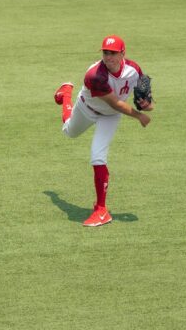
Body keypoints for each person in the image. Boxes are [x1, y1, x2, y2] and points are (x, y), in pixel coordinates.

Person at [53, 35, 153, 227]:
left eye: (113, 53)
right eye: (105, 53)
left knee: (97, 156)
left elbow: (142, 88)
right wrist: (139, 116)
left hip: (110, 117)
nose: (108, 57)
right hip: (86, 109)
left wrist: (146, 103)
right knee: (68, 131)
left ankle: (101, 210)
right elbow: (116, 104)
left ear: (123, 53)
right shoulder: (95, 75)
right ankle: (66, 93)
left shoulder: (134, 69)